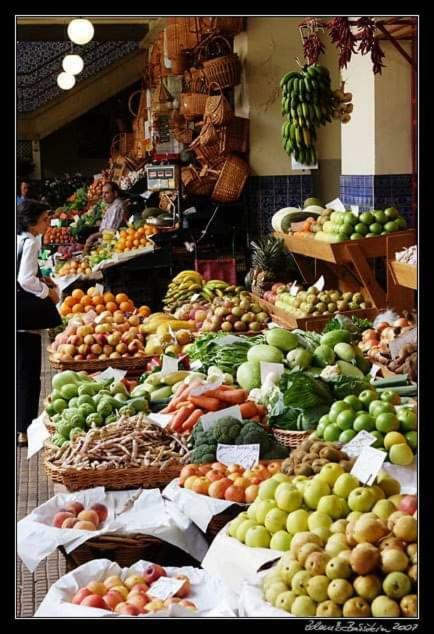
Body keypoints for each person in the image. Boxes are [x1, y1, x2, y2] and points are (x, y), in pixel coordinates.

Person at [17, 200, 60, 446]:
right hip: (25, 314)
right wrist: (47, 292)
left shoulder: (19, 239)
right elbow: (24, 279)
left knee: (20, 370)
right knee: (28, 373)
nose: (48, 223)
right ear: (31, 221)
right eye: (45, 219)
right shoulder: (31, 242)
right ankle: (25, 430)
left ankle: (21, 427)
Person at [84, 181, 129, 252]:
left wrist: (93, 236)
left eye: (107, 193)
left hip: (114, 245)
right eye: (103, 193)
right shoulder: (112, 205)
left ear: (115, 193)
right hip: (105, 242)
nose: (103, 196)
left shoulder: (117, 207)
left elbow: (111, 230)